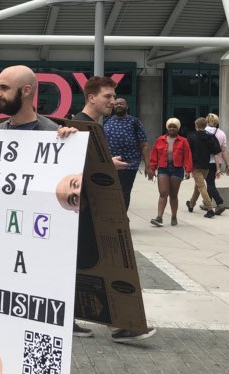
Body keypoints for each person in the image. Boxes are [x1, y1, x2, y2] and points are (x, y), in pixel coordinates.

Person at [0, 64, 77, 374]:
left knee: (40, 321)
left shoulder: (55, 135)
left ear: (27, 91)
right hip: (2, 249)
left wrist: (70, 145)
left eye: (3, 88)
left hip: (41, 252)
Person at [72, 76, 155, 343]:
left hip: (94, 210)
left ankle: (120, 324)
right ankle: (116, 324)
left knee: (98, 265)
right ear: (91, 97)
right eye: (107, 96)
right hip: (84, 211)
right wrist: (109, 165)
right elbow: (73, 168)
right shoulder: (80, 126)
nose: (113, 101)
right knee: (91, 266)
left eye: (113, 96)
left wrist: (107, 163)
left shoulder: (94, 126)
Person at [102, 97, 151, 210]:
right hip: (110, 164)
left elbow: (144, 145)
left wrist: (148, 166)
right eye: (116, 104)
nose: (118, 105)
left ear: (127, 106)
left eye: (121, 104)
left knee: (124, 192)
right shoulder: (107, 121)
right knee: (109, 192)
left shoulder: (135, 122)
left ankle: (122, 217)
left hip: (129, 164)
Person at [147, 118, 192, 227]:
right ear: (167, 128)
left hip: (177, 169)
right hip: (163, 168)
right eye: (170, 127)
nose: (172, 129)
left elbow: (188, 156)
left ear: (178, 128)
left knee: (173, 194)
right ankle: (159, 217)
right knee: (163, 193)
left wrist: (188, 170)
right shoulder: (160, 140)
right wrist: (152, 169)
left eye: (174, 127)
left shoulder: (183, 141)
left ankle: (174, 216)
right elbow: (154, 156)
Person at [185, 117, 220, 219]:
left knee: (201, 187)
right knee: (198, 185)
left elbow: (187, 152)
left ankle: (210, 209)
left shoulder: (191, 136)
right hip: (206, 165)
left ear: (196, 125)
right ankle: (191, 204)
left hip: (195, 166)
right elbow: (216, 151)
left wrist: (186, 167)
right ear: (205, 125)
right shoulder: (210, 137)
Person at [204, 114, 229, 211]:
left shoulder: (203, 132)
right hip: (218, 162)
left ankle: (219, 202)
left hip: (206, 161)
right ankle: (208, 204)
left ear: (206, 121)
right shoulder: (222, 133)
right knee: (211, 182)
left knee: (209, 183)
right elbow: (224, 151)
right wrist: (228, 165)